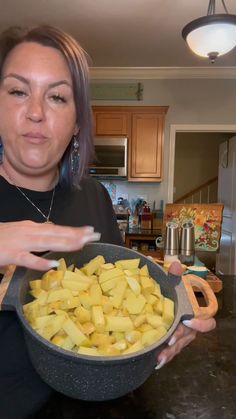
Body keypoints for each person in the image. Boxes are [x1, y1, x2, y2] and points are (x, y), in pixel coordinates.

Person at [0, 25, 215, 418]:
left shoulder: (94, 196)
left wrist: (167, 320)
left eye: (58, 96)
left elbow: (119, 298)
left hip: (97, 404)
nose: (35, 111)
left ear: (78, 121)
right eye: (18, 91)